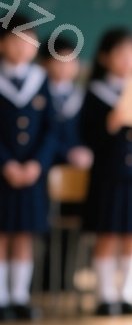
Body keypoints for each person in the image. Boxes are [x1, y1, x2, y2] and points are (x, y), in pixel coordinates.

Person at [78, 27, 132, 317]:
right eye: (121, 53)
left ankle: (128, 295)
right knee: (107, 235)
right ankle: (106, 296)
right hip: (107, 175)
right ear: (104, 57)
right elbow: (86, 136)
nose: (128, 60)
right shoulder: (95, 92)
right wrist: (109, 126)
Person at [0, 21, 54, 322]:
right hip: (3, 173)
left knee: (23, 235)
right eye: (16, 40)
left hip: (32, 174)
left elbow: (51, 130)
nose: (24, 47)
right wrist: (6, 163)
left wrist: (37, 163)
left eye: (30, 41)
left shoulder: (40, 79)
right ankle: (1, 298)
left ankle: (19, 297)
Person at [36, 33, 89, 299]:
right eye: (60, 60)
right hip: (44, 171)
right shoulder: (37, 94)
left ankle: (66, 276)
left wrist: (84, 153)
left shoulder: (81, 97)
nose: (66, 67)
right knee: (44, 226)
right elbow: (44, 135)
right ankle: (42, 278)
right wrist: (66, 153)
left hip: (76, 176)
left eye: (72, 61)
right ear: (45, 63)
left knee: (73, 226)